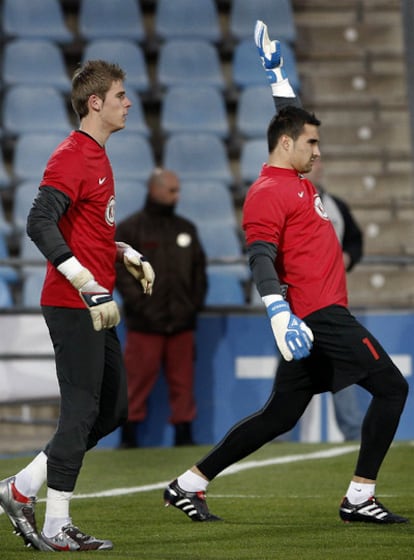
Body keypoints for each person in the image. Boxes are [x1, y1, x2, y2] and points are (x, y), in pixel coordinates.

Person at [162, 21, 409, 525]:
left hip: (317, 314)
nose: (318, 152)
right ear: (288, 146)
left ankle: (189, 483)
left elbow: (287, 121)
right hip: (318, 316)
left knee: (281, 414)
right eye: (311, 144)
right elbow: (259, 255)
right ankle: (359, 496)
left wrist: (278, 78)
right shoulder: (269, 192)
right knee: (392, 388)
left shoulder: (290, 175)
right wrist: (277, 310)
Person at [0, 60, 155, 552]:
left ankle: (21, 488)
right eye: (120, 95)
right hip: (73, 302)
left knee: (111, 410)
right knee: (82, 410)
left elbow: (86, 230)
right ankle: (55, 523)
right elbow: (39, 222)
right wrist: (82, 278)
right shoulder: (71, 155)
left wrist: (123, 252)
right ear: (96, 103)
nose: (128, 102)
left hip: (95, 300)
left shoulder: (97, 155)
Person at [115, 168, 208, 448]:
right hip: (145, 325)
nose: (177, 195)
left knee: (183, 384)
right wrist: (141, 305)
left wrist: (192, 307)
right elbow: (121, 273)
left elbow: (199, 272)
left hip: (181, 323)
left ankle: (184, 434)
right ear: (154, 190)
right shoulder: (131, 229)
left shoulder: (186, 229)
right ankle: (128, 438)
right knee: (136, 382)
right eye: (172, 190)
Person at [306, 158, 364, 441]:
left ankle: (353, 431)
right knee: (298, 364)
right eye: (313, 161)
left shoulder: (336, 206)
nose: (319, 166)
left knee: (341, 363)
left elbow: (355, 239)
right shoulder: (292, 203)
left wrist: (348, 256)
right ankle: (276, 432)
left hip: (333, 298)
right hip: (302, 302)